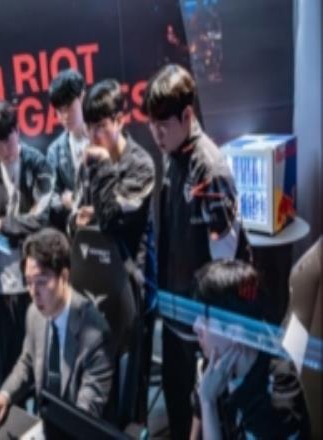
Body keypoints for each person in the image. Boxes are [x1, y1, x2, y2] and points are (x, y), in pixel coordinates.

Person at [142, 64, 251, 439]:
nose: (155, 133)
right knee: (175, 403)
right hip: (175, 310)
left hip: (204, 323)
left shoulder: (211, 168)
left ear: (187, 115)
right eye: (151, 124)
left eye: (163, 124)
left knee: (204, 414)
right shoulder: (172, 153)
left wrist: (210, 328)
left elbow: (225, 266)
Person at [70, 78, 156, 423]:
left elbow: (109, 217)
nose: (94, 136)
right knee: (100, 379)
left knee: (131, 387)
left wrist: (104, 164)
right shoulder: (89, 161)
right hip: (96, 284)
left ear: (120, 120)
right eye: (89, 127)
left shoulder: (141, 164)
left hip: (132, 287)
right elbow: (85, 215)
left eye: (101, 127)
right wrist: (79, 218)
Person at [0, 228, 114, 426]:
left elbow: (86, 414)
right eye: (28, 282)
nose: (33, 292)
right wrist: (5, 395)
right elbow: (27, 363)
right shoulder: (34, 314)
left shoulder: (95, 335)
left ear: (64, 276)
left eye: (41, 282)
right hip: (43, 424)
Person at [0, 100, 54, 386]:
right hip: (0, 282)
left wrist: (4, 224)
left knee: (42, 359)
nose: (3, 150)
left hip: (37, 275)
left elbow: (43, 218)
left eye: (7, 139)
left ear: (18, 130)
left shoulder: (37, 162)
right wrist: (12, 234)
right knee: (8, 362)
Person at [190, 260, 310, 440]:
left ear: (235, 333)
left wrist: (208, 402)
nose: (195, 326)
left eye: (204, 318)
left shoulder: (278, 395)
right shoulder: (211, 369)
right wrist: (206, 401)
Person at [46, 69, 89, 231]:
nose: (64, 116)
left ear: (82, 97)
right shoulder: (55, 151)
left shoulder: (103, 138)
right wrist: (65, 203)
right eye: (59, 110)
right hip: (76, 233)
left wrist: (73, 200)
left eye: (69, 107)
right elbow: (50, 197)